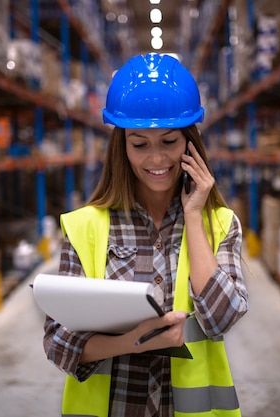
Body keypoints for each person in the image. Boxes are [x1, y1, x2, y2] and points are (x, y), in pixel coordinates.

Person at [43, 53, 248, 416]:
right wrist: (130, 343)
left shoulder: (219, 223)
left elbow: (222, 318)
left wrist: (194, 215)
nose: (156, 159)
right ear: (122, 148)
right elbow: (58, 343)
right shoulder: (86, 227)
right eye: (140, 144)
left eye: (169, 142)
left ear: (190, 144)